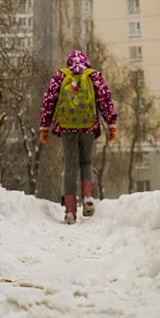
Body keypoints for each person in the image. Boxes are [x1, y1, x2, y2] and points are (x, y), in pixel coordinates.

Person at [38, 49, 118, 224]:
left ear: (68, 62)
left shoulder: (60, 76)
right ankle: (88, 196)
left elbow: (49, 101)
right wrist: (111, 124)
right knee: (86, 163)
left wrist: (44, 126)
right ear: (86, 61)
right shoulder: (93, 75)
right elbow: (105, 100)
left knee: (70, 167)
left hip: (67, 128)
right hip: (88, 126)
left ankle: (70, 212)